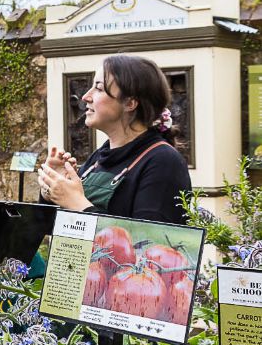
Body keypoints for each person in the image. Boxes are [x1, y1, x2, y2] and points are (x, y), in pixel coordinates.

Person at [37, 54, 191, 224]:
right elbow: (51, 227)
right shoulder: (98, 158)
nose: (86, 97)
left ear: (130, 103)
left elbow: (150, 245)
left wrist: (77, 203)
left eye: (99, 88)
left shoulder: (163, 162)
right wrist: (52, 191)